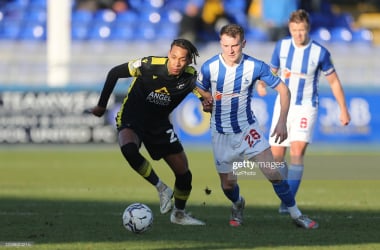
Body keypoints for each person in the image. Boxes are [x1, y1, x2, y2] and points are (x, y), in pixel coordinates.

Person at [196, 23, 318, 229]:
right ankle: (238, 204)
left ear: (243, 43)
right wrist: (206, 102)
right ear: (220, 44)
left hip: (247, 129)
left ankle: (296, 214)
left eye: (235, 45)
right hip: (220, 133)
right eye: (226, 46)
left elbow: (284, 91)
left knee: (272, 172)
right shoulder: (210, 67)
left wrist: (281, 122)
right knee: (228, 184)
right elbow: (200, 88)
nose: (230, 50)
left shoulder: (255, 66)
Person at [89, 39, 205, 226]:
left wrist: (207, 104)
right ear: (169, 54)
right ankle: (161, 188)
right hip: (132, 118)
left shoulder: (191, 77)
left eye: (182, 59)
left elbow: (204, 97)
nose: (176, 63)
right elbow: (114, 73)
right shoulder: (148, 65)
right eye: (173, 57)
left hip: (159, 125)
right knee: (129, 149)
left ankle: (179, 214)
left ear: (189, 60)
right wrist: (101, 105)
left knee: (184, 174)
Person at [257, 9, 351, 214]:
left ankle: (287, 202)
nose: (298, 34)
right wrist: (262, 84)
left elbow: (334, 82)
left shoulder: (320, 52)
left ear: (308, 28)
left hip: (306, 106)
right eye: (294, 30)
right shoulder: (281, 47)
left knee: (297, 152)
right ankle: (286, 195)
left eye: (302, 30)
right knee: (276, 158)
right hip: (283, 107)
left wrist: (343, 109)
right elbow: (271, 72)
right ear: (289, 29)